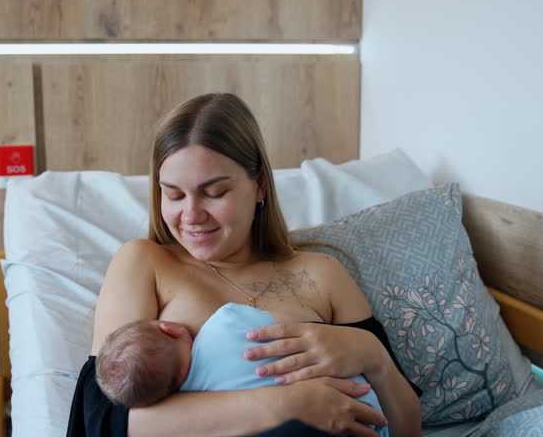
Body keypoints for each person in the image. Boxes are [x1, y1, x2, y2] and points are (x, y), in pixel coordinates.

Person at [66, 93, 421, 437]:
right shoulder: (145, 262)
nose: (191, 215)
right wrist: (284, 405)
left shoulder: (322, 274)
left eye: (214, 193)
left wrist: (373, 356)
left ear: (260, 186)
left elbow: (406, 428)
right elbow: (100, 422)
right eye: (174, 195)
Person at [94, 304, 390, 436]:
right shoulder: (224, 322)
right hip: (365, 407)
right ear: (168, 327)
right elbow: (270, 322)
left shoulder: (191, 407)